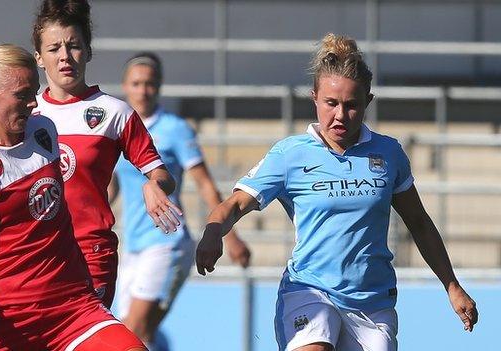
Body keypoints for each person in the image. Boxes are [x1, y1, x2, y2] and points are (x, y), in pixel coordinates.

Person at [195, 33, 478, 351]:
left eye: (351, 105)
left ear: (368, 101)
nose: (340, 115)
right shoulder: (290, 154)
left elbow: (420, 223)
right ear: (314, 97)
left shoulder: (388, 153)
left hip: (372, 303)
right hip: (309, 290)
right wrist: (212, 234)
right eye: (331, 103)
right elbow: (235, 204)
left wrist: (452, 286)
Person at [0, 41, 146, 351]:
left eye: (34, 93)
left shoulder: (44, 132)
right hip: (8, 323)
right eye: (22, 95)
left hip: (74, 311)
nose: (32, 104)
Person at [32, 0, 181, 309]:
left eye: (73, 46)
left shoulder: (115, 113)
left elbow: (161, 175)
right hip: (35, 253)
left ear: (88, 51)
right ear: (39, 58)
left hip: (89, 253)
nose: (64, 57)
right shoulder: (27, 115)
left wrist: (154, 185)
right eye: (53, 48)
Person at [109, 52, 252, 349]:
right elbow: (112, 187)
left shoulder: (174, 129)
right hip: (133, 246)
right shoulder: (119, 128)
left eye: (149, 84)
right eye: (136, 83)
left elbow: (204, 184)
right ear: (125, 86)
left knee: (132, 330)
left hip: (167, 241)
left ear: (159, 87)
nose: (142, 90)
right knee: (133, 335)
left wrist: (232, 236)